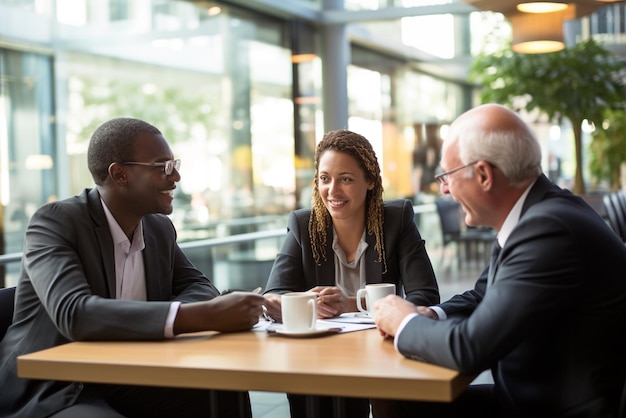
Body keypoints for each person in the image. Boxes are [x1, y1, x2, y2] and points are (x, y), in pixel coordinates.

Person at [0, 117, 265, 418]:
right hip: (55, 387)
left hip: (127, 372)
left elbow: (200, 286)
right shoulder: (56, 222)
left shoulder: (158, 228)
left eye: (174, 164)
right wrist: (202, 315)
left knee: (223, 385)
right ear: (120, 174)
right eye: (162, 166)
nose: (175, 176)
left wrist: (191, 313)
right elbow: (74, 313)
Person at [375, 103, 626, 417]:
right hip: (536, 396)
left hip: (557, 408)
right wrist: (430, 314)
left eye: (448, 175)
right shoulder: (542, 213)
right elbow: (483, 295)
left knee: (407, 404)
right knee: (407, 402)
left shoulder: (547, 229)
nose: (444, 189)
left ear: (483, 175)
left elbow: (469, 348)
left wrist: (403, 321)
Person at [263, 129, 440, 418]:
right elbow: (274, 295)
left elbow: (426, 296)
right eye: (324, 178)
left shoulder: (396, 221)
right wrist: (308, 303)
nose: (332, 191)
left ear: (370, 181)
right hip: (322, 355)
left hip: (382, 350)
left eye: (345, 179)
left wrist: (352, 304)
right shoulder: (303, 225)